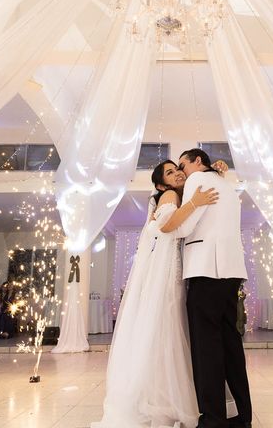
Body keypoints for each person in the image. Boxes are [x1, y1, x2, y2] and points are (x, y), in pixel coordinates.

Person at [92, 159, 220, 428]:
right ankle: (161, 400)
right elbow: (166, 225)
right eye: (170, 173)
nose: (176, 175)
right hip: (163, 272)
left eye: (177, 170)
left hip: (169, 268)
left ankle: (163, 395)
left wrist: (216, 171)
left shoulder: (178, 194)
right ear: (161, 184)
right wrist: (195, 202)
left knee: (167, 329)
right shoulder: (171, 195)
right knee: (164, 327)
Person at [176, 148, 252, 428]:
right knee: (232, 347)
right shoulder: (228, 185)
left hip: (205, 270)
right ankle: (244, 417)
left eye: (183, 165)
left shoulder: (198, 181)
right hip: (231, 273)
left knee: (206, 349)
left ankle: (213, 419)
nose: (182, 172)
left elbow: (185, 228)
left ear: (198, 161)